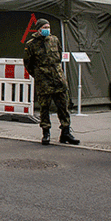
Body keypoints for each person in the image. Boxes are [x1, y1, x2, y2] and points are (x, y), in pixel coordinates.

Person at [23, 18, 78, 146]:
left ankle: (65, 132)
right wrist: (38, 74)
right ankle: (46, 133)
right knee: (44, 107)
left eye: (48, 27)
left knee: (63, 106)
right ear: (39, 29)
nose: (47, 29)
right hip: (44, 80)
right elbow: (28, 63)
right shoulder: (31, 44)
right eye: (44, 27)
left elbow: (59, 56)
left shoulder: (54, 40)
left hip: (58, 79)